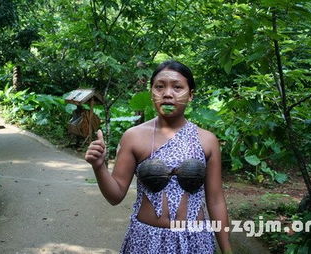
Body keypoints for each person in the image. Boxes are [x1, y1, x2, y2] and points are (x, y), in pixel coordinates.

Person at [85, 60, 232, 254]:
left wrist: (227, 249)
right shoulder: (134, 137)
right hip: (146, 241)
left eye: (177, 87)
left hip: (195, 241)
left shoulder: (207, 140)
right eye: (159, 87)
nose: (168, 94)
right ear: (152, 93)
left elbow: (215, 200)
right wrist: (99, 166)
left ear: (190, 96)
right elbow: (115, 195)